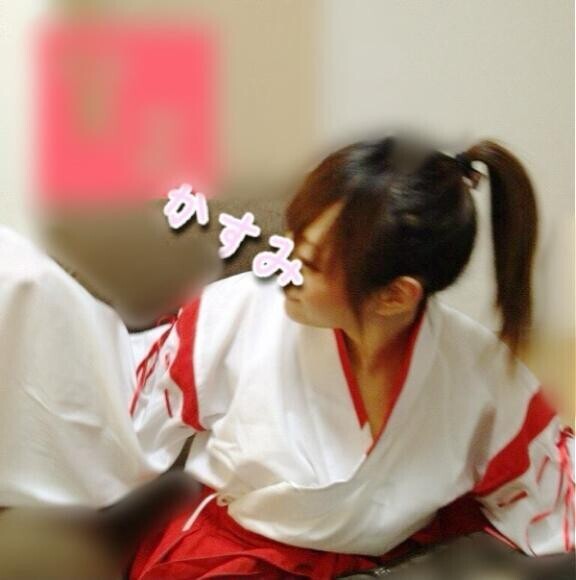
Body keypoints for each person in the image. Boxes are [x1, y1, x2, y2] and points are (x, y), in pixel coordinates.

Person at [127, 136, 575, 579]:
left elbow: (553, 503)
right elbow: (127, 420)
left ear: (395, 296)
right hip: (239, 554)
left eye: (310, 264)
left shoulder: (479, 374)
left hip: (396, 559)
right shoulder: (233, 314)